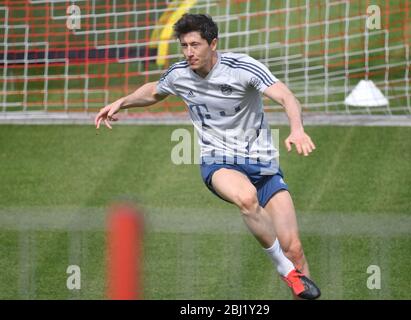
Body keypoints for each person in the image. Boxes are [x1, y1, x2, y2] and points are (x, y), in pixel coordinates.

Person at [95, 13, 320, 300]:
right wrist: (121, 102)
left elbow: (287, 97)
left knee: (295, 250)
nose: (189, 53)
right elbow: (154, 91)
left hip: (264, 166)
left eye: (195, 45)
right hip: (219, 162)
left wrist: (297, 130)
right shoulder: (180, 74)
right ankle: (285, 271)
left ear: (213, 44)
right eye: (184, 46)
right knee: (246, 199)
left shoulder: (242, 67)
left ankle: (292, 269)